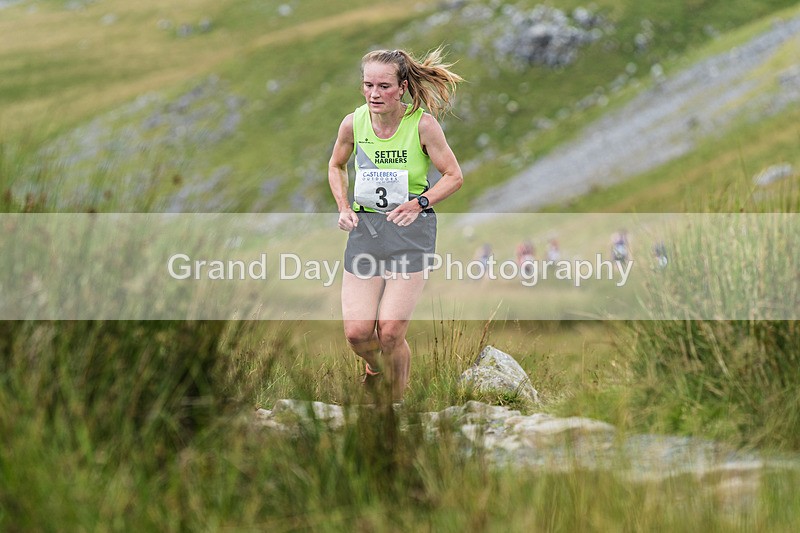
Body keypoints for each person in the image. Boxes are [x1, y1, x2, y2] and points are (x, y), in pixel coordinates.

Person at [328, 48, 464, 401]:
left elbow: (453, 176)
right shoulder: (353, 123)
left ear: (402, 87)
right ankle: (376, 370)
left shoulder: (422, 125)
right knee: (358, 334)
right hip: (367, 230)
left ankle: (394, 407)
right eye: (368, 85)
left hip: (411, 231)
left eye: (384, 86)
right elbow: (336, 165)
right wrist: (343, 207)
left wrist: (419, 203)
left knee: (390, 332)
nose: (374, 94)